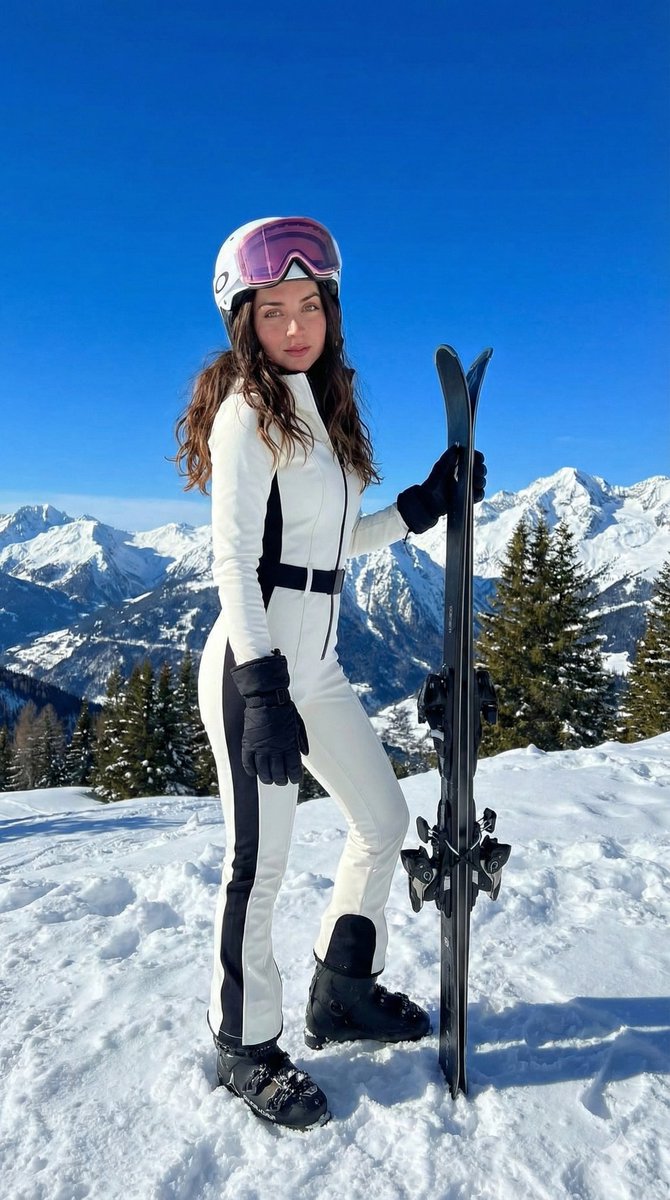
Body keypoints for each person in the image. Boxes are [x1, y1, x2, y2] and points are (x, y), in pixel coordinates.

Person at [175, 216, 486, 1130]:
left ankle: (342, 989)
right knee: (258, 865)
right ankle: (244, 1044)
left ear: (331, 310)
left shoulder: (319, 406)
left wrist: (420, 507)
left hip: (317, 666)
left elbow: (330, 544)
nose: (296, 326)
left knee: (382, 821)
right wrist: (262, 687)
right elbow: (235, 563)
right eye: (274, 310)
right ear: (245, 319)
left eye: (310, 306)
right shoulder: (247, 412)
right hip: (255, 668)